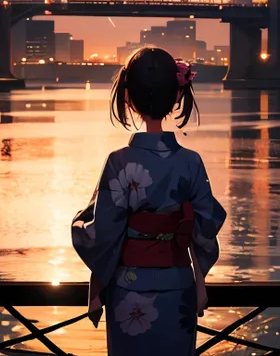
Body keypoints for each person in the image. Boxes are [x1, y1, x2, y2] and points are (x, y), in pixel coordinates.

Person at [72, 46, 226, 355]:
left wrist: (97, 285)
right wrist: (199, 282)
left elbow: (102, 233)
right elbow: (205, 224)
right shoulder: (190, 162)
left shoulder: (119, 162)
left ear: (128, 97)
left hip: (128, 285)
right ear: (177, 96)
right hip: (178, 285)